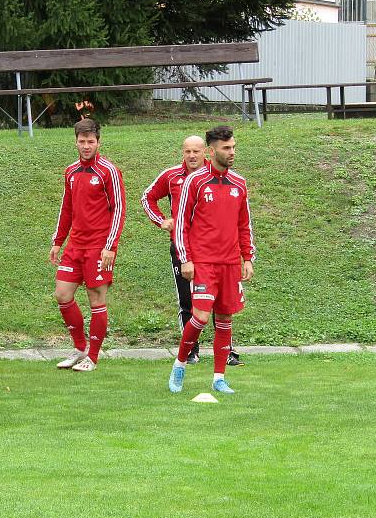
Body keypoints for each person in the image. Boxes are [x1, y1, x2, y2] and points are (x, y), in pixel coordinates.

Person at [141, 135, 243, 367]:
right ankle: (190, 350)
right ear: (182, 152)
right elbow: (147, 197)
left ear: (205, 152)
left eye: (196, 151)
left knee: (221, 303)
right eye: (187, 151)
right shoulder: (171, 176)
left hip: (215, 252)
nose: (192, 156)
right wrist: (161, 220)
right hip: (182, 250)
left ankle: (226, 350)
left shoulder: (217, 177)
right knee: (188, 300)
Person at [169, 126, 255, 394]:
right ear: (212, 150)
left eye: (233, 147)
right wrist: (186, 258)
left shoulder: (239, 183)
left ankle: (219, 377)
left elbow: (244, 224)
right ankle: (180, 363)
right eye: (226, 148)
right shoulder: (195, 181)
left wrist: (247, 257)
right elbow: (181, 223)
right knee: (200, 317)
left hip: (230, 263)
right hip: (203, 262)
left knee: (225, 319)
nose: (232, 152)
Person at [49, 118, 126, 372]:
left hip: (98, 247)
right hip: (75, 246)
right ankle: (80, 348)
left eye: (90, 142)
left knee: (96, 300)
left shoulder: (108, 171)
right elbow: (67, 208)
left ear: (98, 142)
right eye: (81, 142)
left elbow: (119, 210)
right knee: (62, 294)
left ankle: (92, 357)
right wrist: (58, 242)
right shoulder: (71, 171)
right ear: (76, 142)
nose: (86, 146)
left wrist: (110, 246)